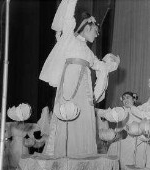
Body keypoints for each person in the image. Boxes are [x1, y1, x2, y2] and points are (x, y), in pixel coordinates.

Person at [39, 0, 120, 158]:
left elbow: (100, 66)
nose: (97, 35)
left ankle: (80, 154)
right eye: (95, 31)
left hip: (85, 90)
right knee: (67, 114)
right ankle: (63, 153)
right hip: (69, 86)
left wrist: (112, 65)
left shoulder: (89, 53)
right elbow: (69, 17)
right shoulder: (70, 39)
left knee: (83, 117)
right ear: (88, 27)